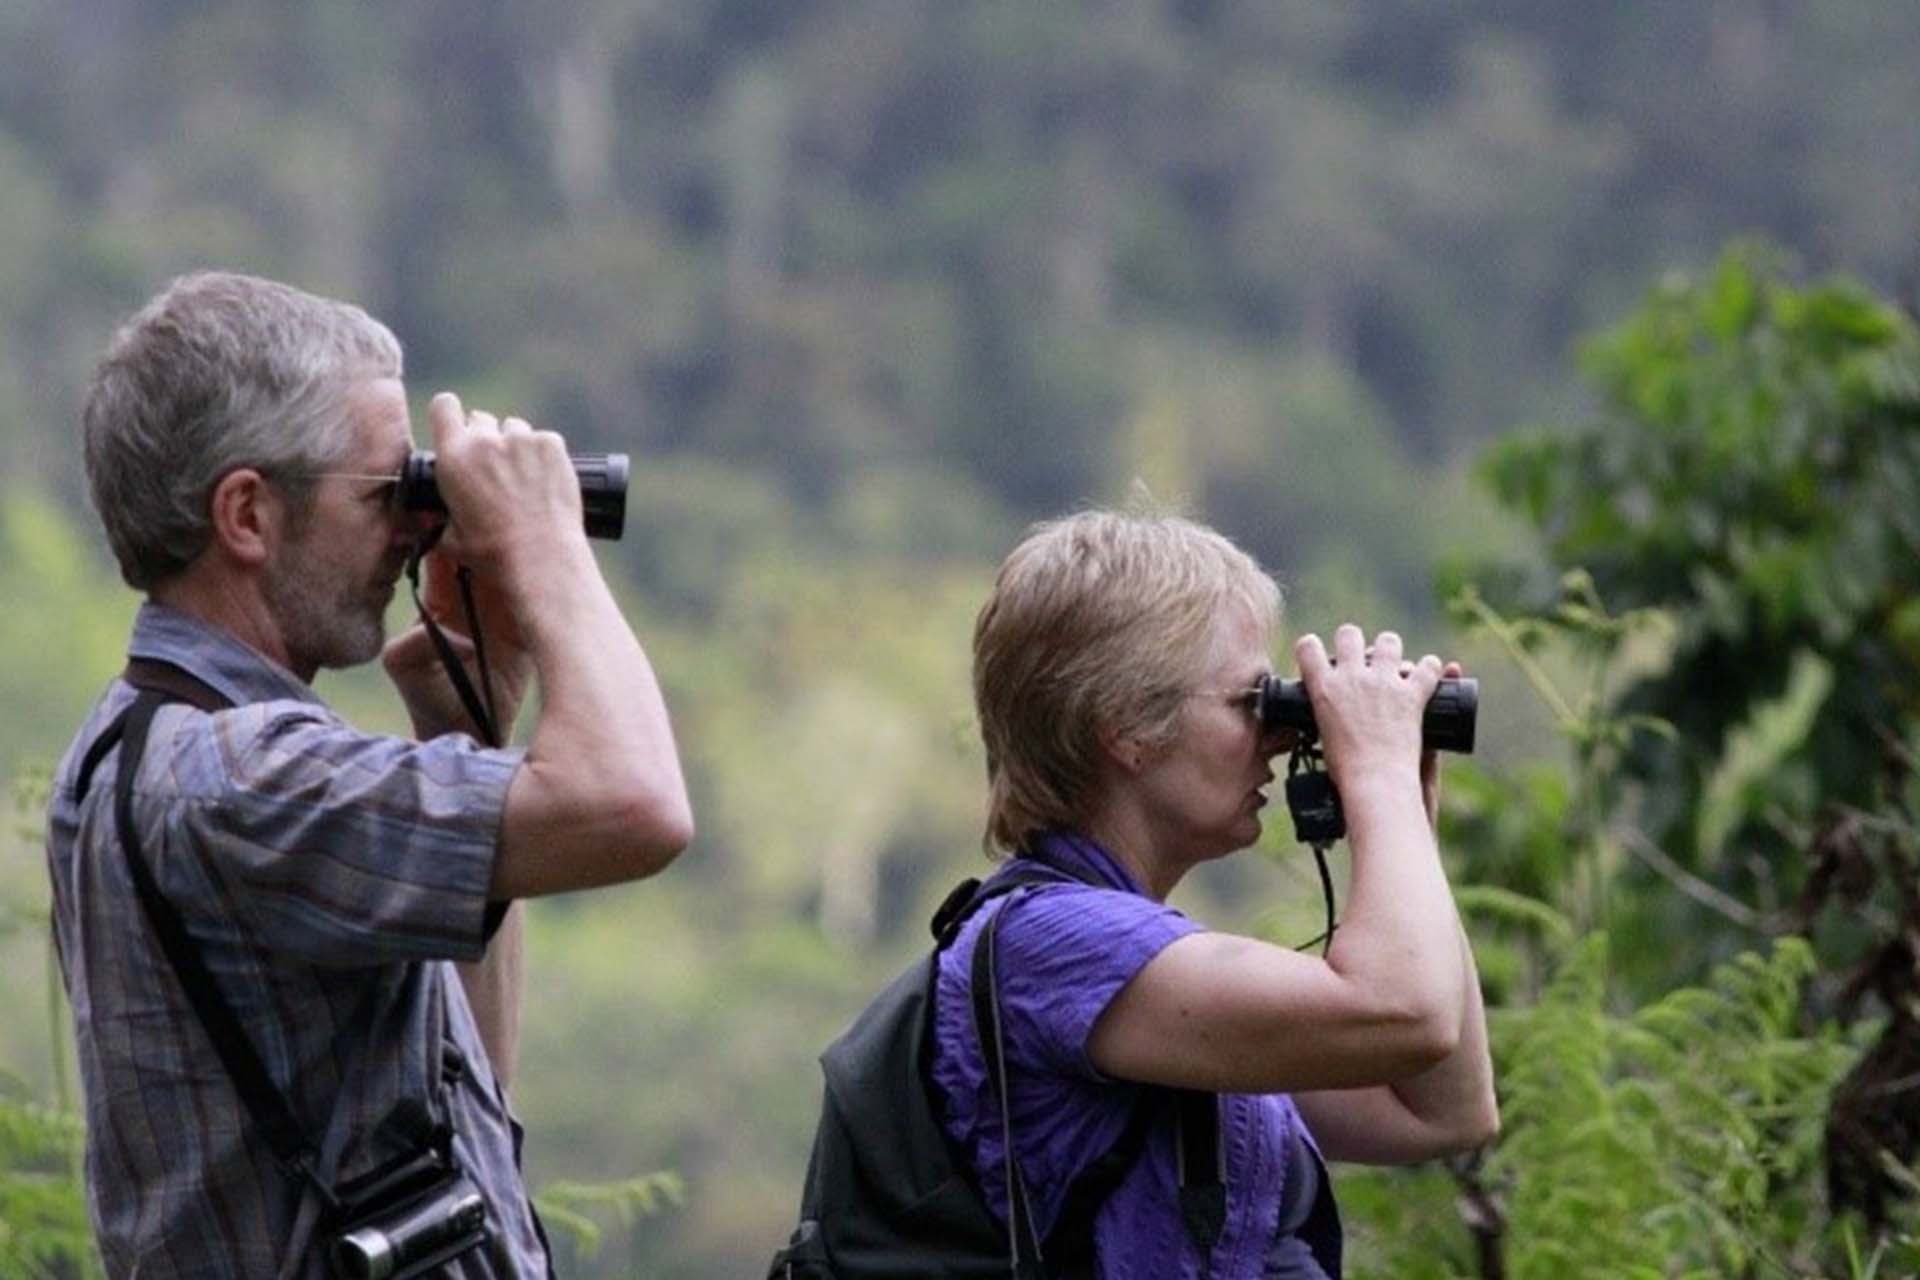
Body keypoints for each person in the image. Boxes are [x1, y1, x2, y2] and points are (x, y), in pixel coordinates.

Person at [45, 271, 693, 1278]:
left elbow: (463, 1078)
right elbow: (640, 805)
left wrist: (466, 721)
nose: (415, 525)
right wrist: (545, 548)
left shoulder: (142, 735)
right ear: (249, 515)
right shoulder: (237, 779)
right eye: (386, 490)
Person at [935, 509, 1498, 1278]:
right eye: (1248, 703)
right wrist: (1378, 776)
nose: (1276, 735)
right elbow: (1407, 1012)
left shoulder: (1145, 973)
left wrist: (1405, 827)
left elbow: (1443, 1111)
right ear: (1127, 726)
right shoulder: (1052, 946)